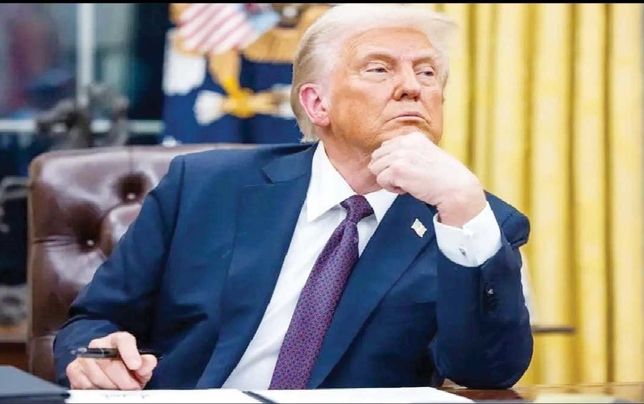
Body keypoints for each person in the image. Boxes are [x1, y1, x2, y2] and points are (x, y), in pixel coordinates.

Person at [55, 4, 532, 391]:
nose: (412, 87)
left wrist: (463, 210)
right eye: (379, 69)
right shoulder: (203, 187)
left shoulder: (471, 223)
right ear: (316, 103)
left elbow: (487, 373)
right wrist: (96, 355)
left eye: (427, 73)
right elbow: (95, 320)